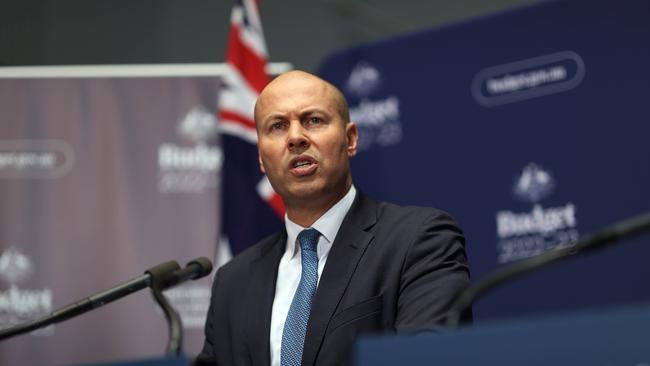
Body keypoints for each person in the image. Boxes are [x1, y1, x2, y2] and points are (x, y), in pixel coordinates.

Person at [197, 70, 471, 366]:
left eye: (313, 120)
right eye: (277, 126)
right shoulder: (233, 281)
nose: (296, 137)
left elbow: (429, 358)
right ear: (262, 158)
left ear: (350, 138)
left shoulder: (419, 240)